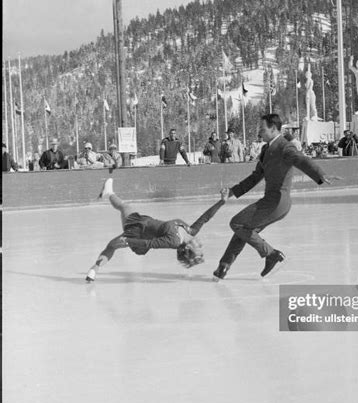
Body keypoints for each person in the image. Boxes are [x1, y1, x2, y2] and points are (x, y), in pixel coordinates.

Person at [212, 113, 341, 281]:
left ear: (273, 129)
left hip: (277, 201)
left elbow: (301, 160)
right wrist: (232, 191)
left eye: (262, 129)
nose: (260, 132)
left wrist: (320, 175)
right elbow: (255, 177)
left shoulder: (285, 147)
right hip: (270, 201)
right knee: (244, 230)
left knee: (236, 223)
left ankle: (272, 254)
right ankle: (223, 267)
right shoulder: (266, 149)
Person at [86, 179, 229, 282]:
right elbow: (205, 218)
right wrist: (222, 201)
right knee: (116, 232)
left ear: (189, 248)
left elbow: (150, 244)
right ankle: (93, 271)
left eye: (199, 249)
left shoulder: (173, 241)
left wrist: (128, 240)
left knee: (123, 210)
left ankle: (109, 192)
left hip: (137, 230)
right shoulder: (190, 231)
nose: (200, 245)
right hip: (143, 223)